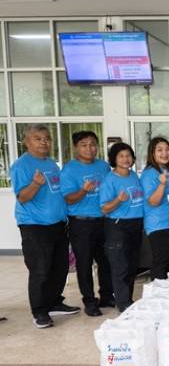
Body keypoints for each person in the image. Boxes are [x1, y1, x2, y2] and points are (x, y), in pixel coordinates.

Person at [10, 124, 80, 328]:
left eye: (47, 138)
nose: (44, 142)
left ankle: (54, 302)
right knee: (40, 270)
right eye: (38, 138)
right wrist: (35, 184)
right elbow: (22, 197)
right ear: (27, 141)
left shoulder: (51, 163)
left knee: (60, 267)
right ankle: (39, 311)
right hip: (35, 226)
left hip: (58, 224)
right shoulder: (21, 165)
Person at [60, 131, 113, 316]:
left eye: (92, 144)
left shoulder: (103, 166)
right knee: (84, 264)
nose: (89, 148)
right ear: (76, 147)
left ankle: (107, 296)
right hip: (81, 224)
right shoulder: (69, 170)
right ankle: (90, 302)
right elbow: (69, 198)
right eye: (84, 145)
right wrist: (83, 190)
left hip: (103, 222)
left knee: (106, 262)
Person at [100, 142, 144, 313]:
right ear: (114, 159)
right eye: (121, 156)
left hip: (136, 224)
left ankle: (127, 299)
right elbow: (104, 208)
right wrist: (118, 200)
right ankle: (123, 302)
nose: (126, 159)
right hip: (118, 226)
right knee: (121, 266)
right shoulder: (109, 180)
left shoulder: (133, 175)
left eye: (128, 156)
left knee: (132, 265)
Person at [141, 136, 169, 281]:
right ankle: (156, 292)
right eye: (160, 150)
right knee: (161, 263)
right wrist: (162, 184)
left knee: (168, 264)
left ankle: (164, 293)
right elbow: (153, 201)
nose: (165, 153)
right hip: (158, 225)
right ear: (152, 153)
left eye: (167, 149)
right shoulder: (149, 173)